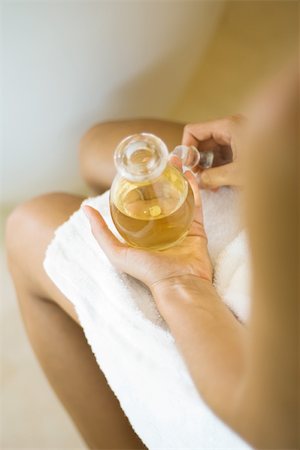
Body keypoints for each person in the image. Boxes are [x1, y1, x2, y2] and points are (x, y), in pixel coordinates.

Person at [6, 66, 297, 449]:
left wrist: (180, 283)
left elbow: (272, 422)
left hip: (246, 389)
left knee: (30, 227)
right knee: (98, 145)